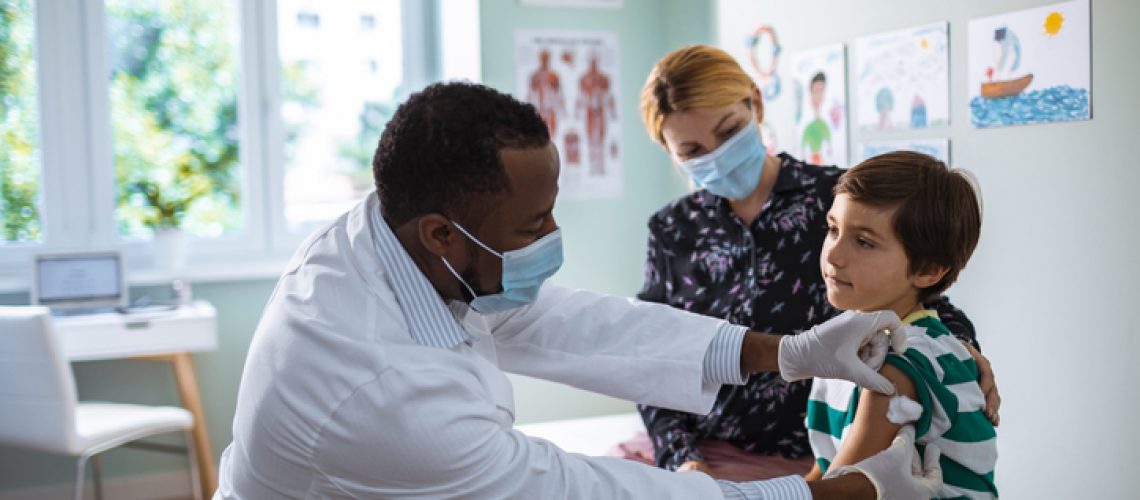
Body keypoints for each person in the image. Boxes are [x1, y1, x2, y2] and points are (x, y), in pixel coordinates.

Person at [215, 81, 941, 499]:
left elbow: (563, 324)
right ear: (441, 233)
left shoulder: (388, 231)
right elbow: (574, 492)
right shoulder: (380, 395)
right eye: (534, 223)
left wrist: (785, 353)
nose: (554, 233)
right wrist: (821, 496)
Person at [634, 45, 999, 478]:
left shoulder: (839, 200)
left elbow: (921, 301)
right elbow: (651, 357)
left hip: (819, 452)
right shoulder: (673, 230)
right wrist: (684, 461)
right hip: (706, 455)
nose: (717, 155)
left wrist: (959, 351)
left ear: (756, 102)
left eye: (730, 131)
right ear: (667, 150)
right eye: (693, 151)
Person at [806, 151, 997, 498]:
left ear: (928, 271)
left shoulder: (900, 363)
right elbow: (824, 468)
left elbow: (836, 490)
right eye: (833, 229)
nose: (833, 255)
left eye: (864, 242)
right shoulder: (845, 347)